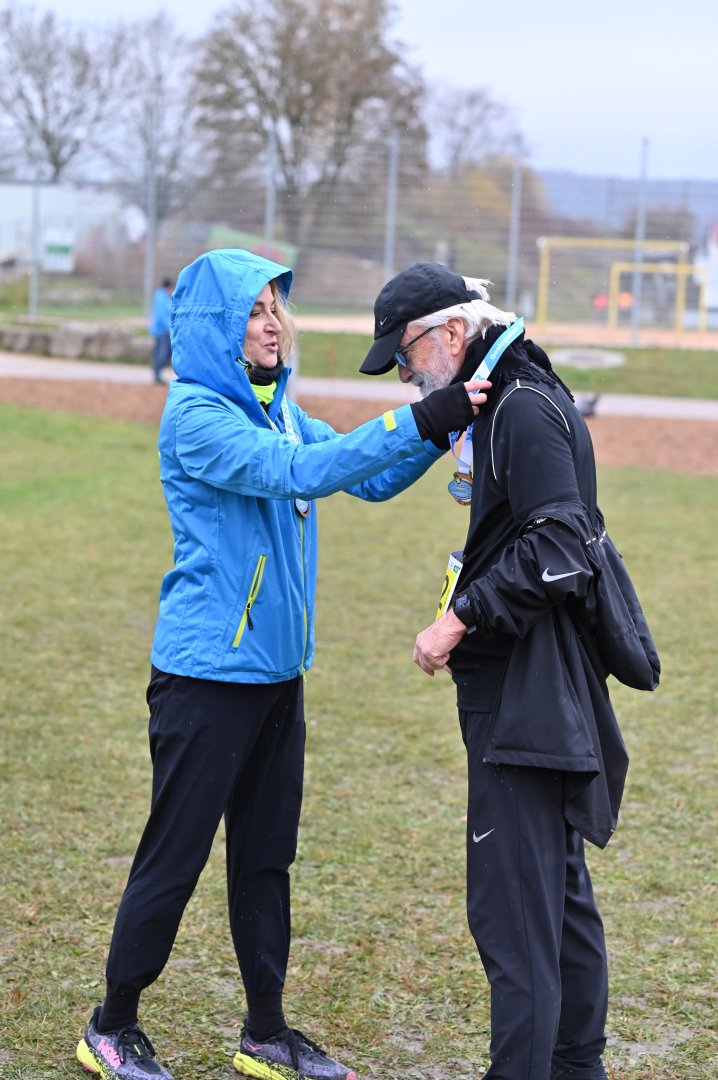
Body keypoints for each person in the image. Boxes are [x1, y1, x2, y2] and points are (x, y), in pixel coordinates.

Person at [76, 249, 490, 1080]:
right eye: (253, 311)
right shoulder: (196, 416)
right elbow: (298, 473)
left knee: (266, 861)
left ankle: (265, 1032)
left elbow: (364, 481)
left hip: (275, 676)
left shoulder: (282, 411)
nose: (271, 325)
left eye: (275, 309)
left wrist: (444, 425)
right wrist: (420, 418)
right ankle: (111, 1026)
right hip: (205, 679)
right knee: (175, 857)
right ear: (214, 327)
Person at [359, 262, 660, 1080]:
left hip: (525, 689)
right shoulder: (512, 396)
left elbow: (560, 545)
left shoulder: (522, 406)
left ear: (455, 332)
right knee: (554, 894)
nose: (406, 372)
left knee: (514, 913)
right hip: (535, 682)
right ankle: (576, 1066)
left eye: (408, 353)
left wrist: (457, 618)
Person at [149, 277, 173, 384]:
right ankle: (157, 374)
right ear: (167, 287)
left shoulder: (164, 297)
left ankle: (157, 373)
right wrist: (170, 328)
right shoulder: (161, 298)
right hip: (162, 331)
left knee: (163, 352)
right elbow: (161, 315)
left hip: (164, 330)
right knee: (163, 352)